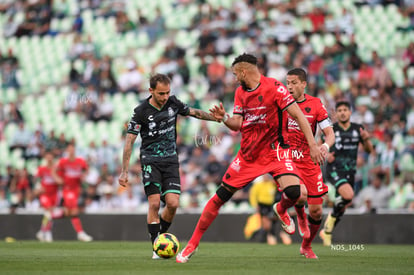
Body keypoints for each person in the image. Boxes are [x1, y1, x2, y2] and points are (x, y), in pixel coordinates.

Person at [176, 53, 324, 263]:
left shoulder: (275, 87)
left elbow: (299, 115)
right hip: (248, 156)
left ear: (244, 72)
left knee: (294, 192)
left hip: (275, 152)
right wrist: (225, 118)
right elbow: (237, 124)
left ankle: (280, 209)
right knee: (219, 198)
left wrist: (313, 145)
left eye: (236, 74)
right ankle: (191, 245)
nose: (235, 78)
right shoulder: (240, 93)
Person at [118, 73, 219, 259]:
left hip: (171, 160)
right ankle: (156, 246)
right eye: (161, 93)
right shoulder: (141, 111)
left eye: (167, 93)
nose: (165, 97)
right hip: (150, 161)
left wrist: (216, 118)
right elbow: (129, 141)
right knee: (155, 203)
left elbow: (194, 112)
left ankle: (160, 240)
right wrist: (124, 171)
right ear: (151, 91)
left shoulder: (173, 103)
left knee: (172, 204)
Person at [284, 68, 335, 258]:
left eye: (294, 83)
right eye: (287, 82)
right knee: (301, 194)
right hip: (288, 157)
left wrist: (325, 147)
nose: (289, 86)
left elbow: (329, 134)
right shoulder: (282, 103)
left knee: (316, 210)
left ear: (304, 84)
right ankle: (299, 213)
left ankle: (306, 245)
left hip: (309, 158)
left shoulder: (315, 104)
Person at [319, 101, 373, 246]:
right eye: (340, 110)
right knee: (348, 196)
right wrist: (325, 154)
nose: (342, 112)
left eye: (345, 110)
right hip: (335, 169)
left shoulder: (358, 129)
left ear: (350, 112)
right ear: (336, 114)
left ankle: (326, 231)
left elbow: (369, 150)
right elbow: (319, 145)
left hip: (350, 171)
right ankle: (328, 231)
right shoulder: (332, 130)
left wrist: (366, 139)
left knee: (342, 206)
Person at [55, 142, 93, 242]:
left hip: (77, 189)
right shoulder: (63, 162)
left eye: (73, 149)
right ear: (67, 150)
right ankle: (80, 233)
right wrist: (59, 180)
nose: (71, 151)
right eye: (69, 149)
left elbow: (86, 170)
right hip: (67, 189)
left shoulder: (80, 161)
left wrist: (84, 176)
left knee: (68, 212)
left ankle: (51, 216)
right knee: (74, 210)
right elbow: (57, 173)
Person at [35, 151, 63, 242]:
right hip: (45, 194)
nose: (49, 159)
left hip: (54, 194)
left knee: (50, 213)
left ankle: (43, 232)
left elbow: (60, 182)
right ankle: (46, 233)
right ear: (45, 158)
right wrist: (39, 188)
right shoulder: (42, 169)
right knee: (48, 210)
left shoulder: (57, 169)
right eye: (47, 157)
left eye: (51, 157)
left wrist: (53, 173)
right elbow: (36, 180)